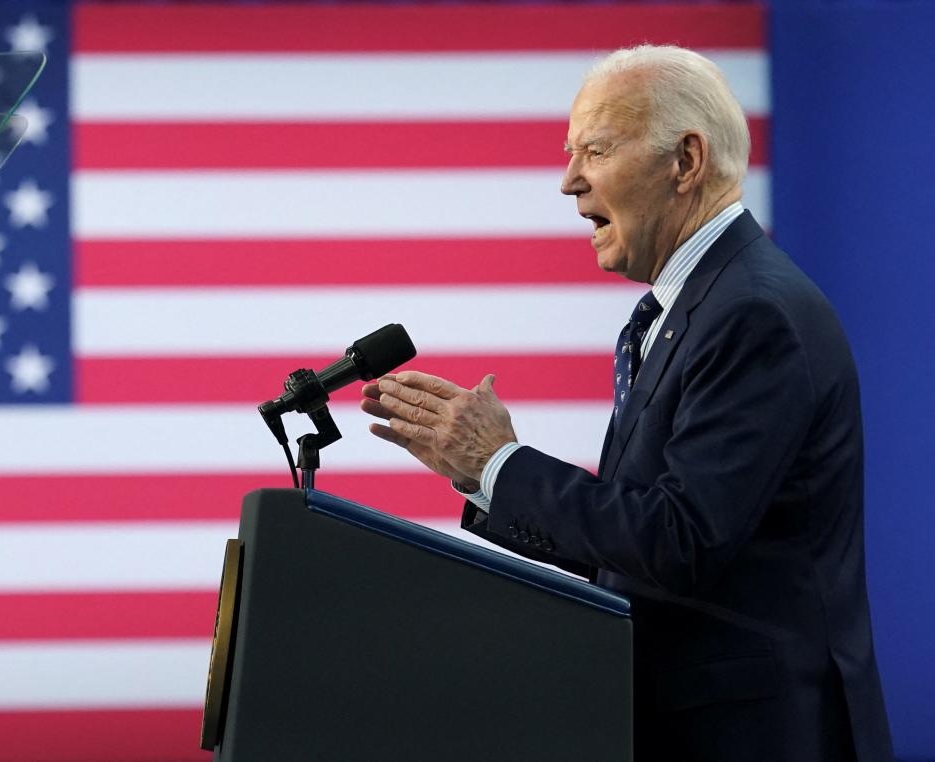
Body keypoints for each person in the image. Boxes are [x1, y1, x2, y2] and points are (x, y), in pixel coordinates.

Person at [362, 45, 892, 761]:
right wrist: (482, 474)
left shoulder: (750, 314)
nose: (568, 181)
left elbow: (676, 542)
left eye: (595, 150)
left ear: (685, 162)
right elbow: (637, 546)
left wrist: (502, 463)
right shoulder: (690, 308)